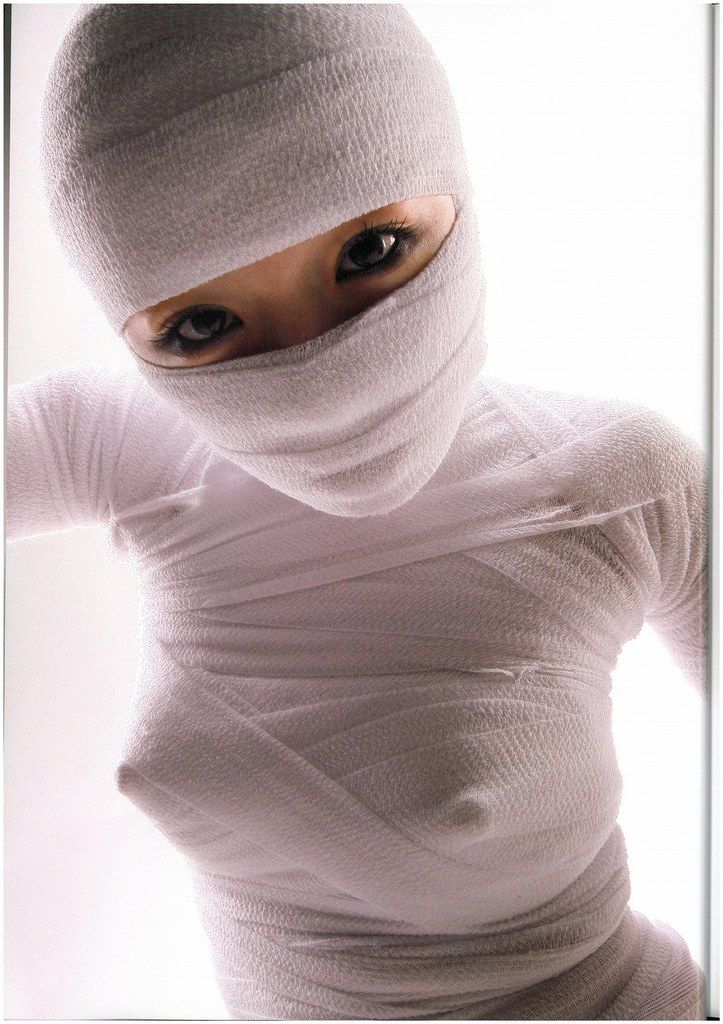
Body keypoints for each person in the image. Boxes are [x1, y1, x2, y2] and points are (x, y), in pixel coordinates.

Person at [7, 3, 709, 1019]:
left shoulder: (618, 481)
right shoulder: (128, 441)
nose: (321, 376)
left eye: (373, 248)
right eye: (202, 323)